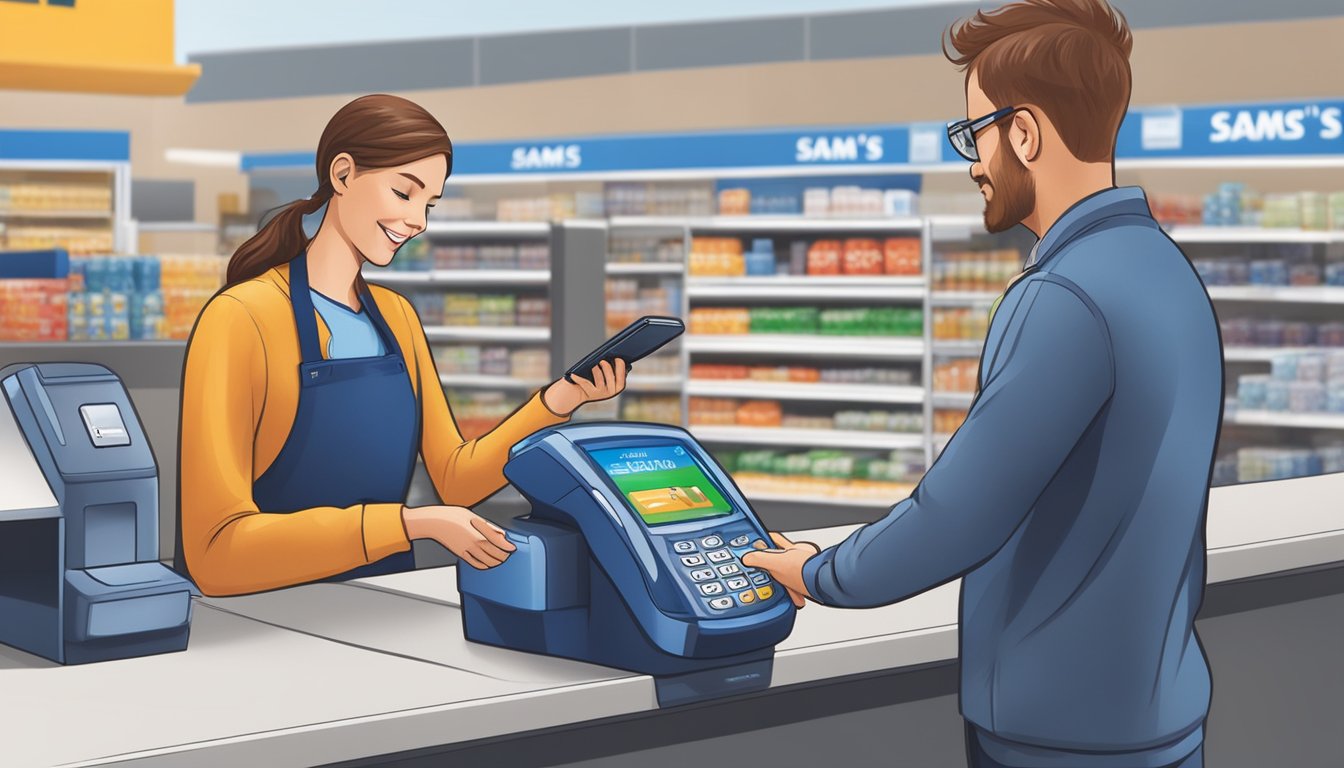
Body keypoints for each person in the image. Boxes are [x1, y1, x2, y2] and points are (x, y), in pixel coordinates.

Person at [743, 2, 1223, 767]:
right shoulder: (1165, 271)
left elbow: (959, 513)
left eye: (975, 134)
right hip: (1157, 714)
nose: (972, 161)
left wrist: (817, 571)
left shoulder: (1063, 297)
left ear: (1024, 133)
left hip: (1057, 733)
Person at [176, 94, 626, 597]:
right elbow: (216, 552)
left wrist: (559, 401)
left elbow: (455, 479)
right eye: (404, 194)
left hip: (383, 607)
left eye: (429, 205)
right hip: (265, 618)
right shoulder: (242, 318)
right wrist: (409, 525)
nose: (419, 222)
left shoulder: (397, 317)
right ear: (343, 175)